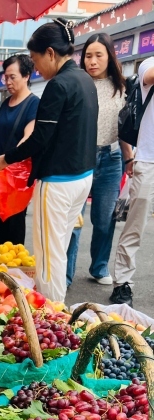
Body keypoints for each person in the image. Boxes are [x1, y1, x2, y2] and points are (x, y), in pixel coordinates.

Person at [0, 19, 98, 303]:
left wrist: (6, 159)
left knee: (48, 256)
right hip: (82, 178)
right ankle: (53, 309)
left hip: (58, 182)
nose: (35, 68)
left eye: (36, 60)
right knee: (58, 250)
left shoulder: (58, 85)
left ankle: (52, 315)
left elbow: (39, 138)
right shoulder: (85, 80)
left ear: (50, 53)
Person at [66, 34, 132, 288]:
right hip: (81, 157)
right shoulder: (78, 84)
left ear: (110, 56)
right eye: (88, 56)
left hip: (111, 158)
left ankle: (99, 266)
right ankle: (66, 274)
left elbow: (124, 126)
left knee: (105, 219)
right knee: (74, 219)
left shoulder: (123, 87)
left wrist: (129, 158)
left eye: (98, 55)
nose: (92, 61)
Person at [109, 58, 154, 305]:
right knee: (134, 227)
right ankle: (123, 283)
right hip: (148, 162)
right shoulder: (149, 64)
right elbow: (149, 76)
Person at [0, 54, 40, 246]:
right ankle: (2, 268)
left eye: (13, 77)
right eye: (6, 77)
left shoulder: (33, 104)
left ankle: (14, 271)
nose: (8, 82)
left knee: (15, 225)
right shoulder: (5, 103)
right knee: (1, 224)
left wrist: (8, 159)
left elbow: (29, 137)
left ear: (26, 75)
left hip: (17, 176)